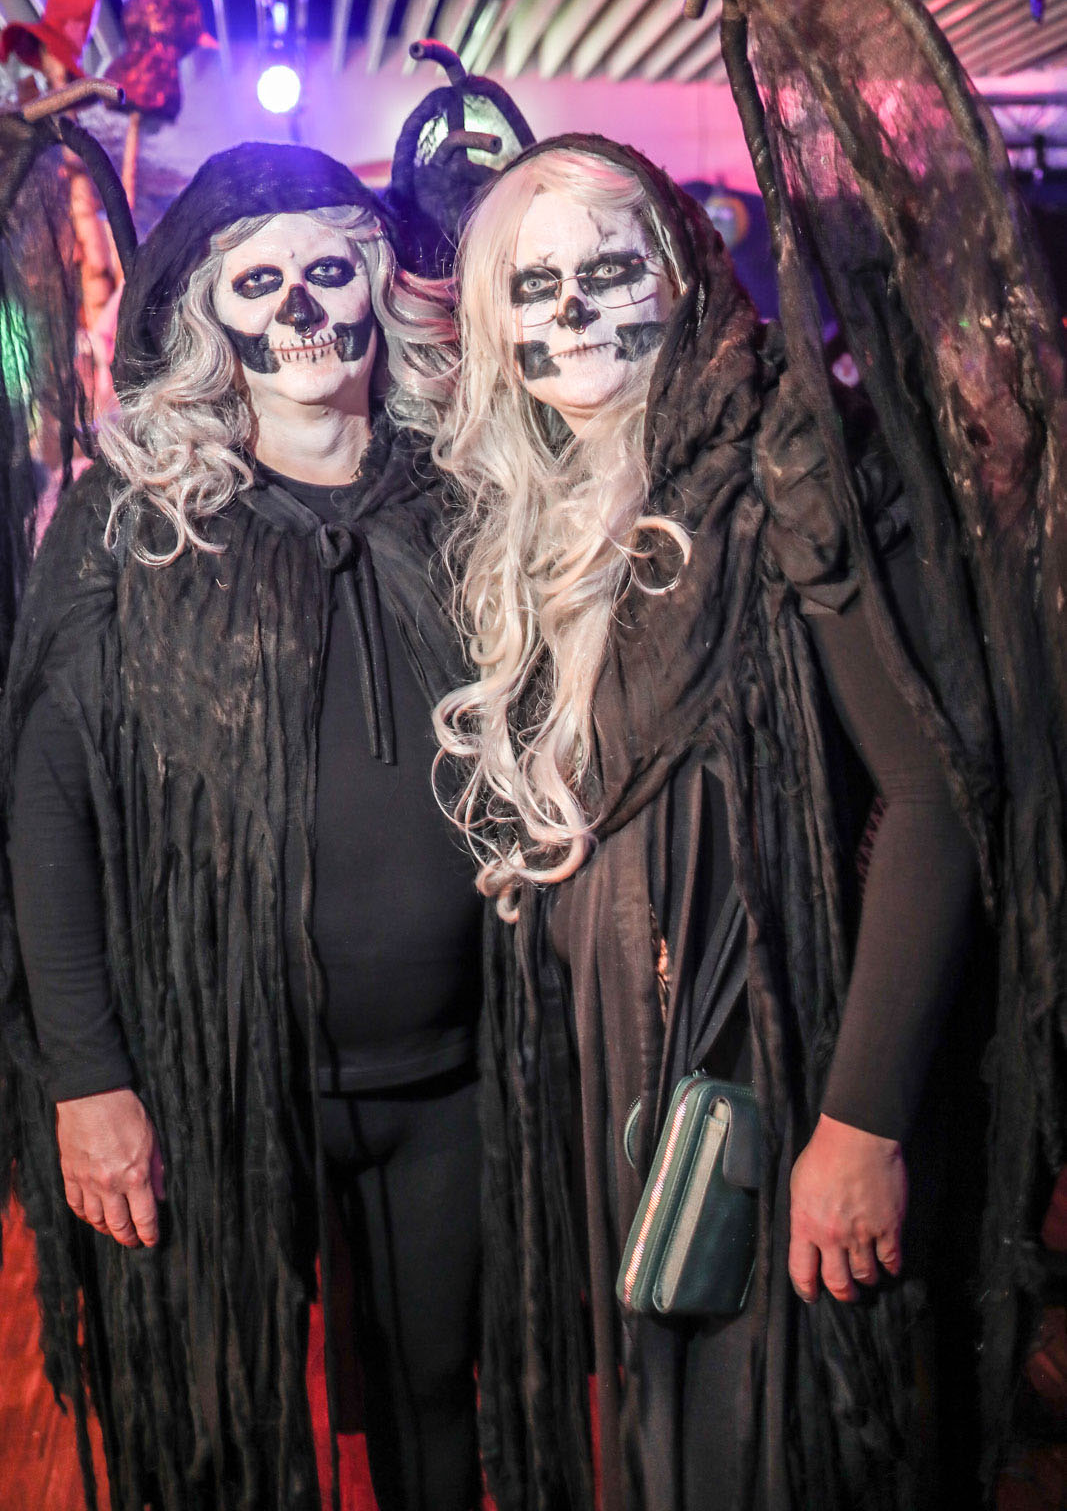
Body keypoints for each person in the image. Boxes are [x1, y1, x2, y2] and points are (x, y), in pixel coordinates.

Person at [432, 135, 998, 1511]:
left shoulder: (786, 458)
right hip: (629, 1059)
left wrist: (859, 1122)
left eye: (608, 269)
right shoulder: (545, 504)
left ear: (682, 272)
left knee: (770, 1443)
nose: (572, 311)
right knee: (669, 1440)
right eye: (534, 283)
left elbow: (936, 793)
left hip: (771, 1052)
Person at [1, 141, 483, 1511]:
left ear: (378, 285)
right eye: (258, 283)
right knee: (224, 1413)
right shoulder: (136, 520)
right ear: (210, 315)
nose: (301, 309)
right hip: (209, 1075)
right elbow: (48, 804)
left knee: (439, 1397)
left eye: (329, 270)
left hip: (450, 1074)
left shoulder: (462, 494)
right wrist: (88, 1076)